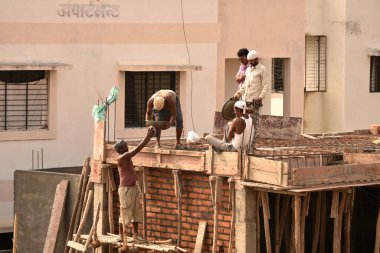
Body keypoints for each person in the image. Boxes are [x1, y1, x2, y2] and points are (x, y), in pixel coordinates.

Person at [113, 126, 156, 252]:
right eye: (125, 145)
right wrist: (147, 137)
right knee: (125, 213)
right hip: (125, 190)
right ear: (121, 149)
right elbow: (138, 149)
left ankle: (136, 235)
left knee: (136, 212)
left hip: (132, 188)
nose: (127, 147)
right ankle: (122, 236)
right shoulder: (122, 157)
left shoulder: (126, 156)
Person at [233, 50, 268, 151]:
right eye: (249, 61)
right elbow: (244, 85)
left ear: (256, 59)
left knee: (253, 124)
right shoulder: (248, 70)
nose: (250, 62)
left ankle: (251, 147)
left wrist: (261, 97)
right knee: (244, 123)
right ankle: (243, 145)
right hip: (245, 101)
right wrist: (238, 94)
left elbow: (265, 85)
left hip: (254, 102)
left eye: (252, 61)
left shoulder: (262, 69)